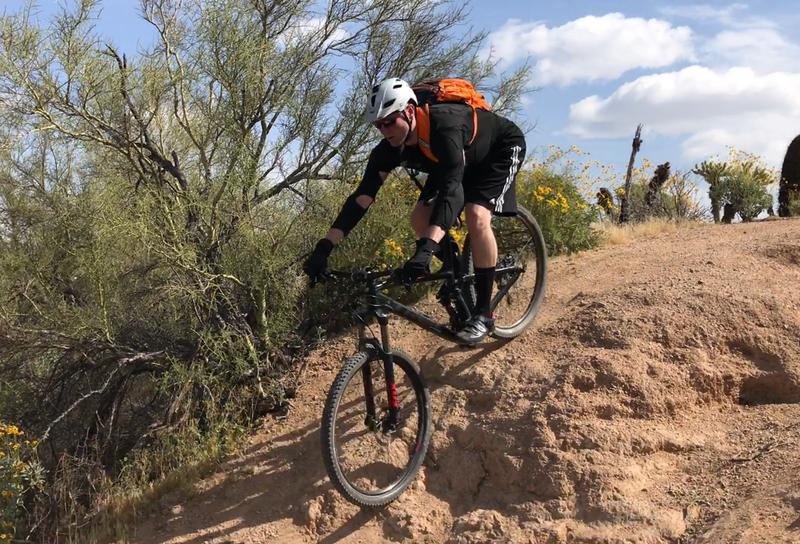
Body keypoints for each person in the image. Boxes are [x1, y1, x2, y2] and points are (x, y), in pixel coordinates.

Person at [303, 77, 526, 344]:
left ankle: (484, 314)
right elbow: (362, 198)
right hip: (454, 160)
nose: (384, 130)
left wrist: (426, 250)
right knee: (419, 218)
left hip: (497, 150)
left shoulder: (445, 126)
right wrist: (325, 246)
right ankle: (458, 277)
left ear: (409, 111)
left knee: (476, 215)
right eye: (378, 125)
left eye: (389, 121)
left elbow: (452, 192)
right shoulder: (391, 148)